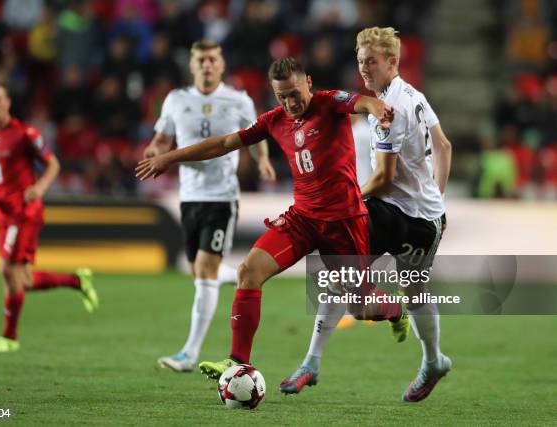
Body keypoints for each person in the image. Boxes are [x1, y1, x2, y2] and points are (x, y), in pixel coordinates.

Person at [136, 56, 404, 380]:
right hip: (302, 219)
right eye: (282, 96)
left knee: (360, 308)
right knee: (249, 271)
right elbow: (223, 143)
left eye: (294, 93)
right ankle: (237, 363)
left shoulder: (328, 102)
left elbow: (362, 102)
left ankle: (393, 308)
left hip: (344, 222)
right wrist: (171, 157)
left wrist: (377, 109)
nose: (290, 103)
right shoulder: (273, 120)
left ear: (308, 83)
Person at [279, 27, 453, 403]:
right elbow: (443, 145)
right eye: (360, 62)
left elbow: (384, 177)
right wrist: (436, 196)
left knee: (377, 283)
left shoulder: (390, 108)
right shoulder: (415, 95)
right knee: (354, 274)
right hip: (422, 219)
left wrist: (346, 201)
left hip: (398, 213)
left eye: (371, 62)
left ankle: (427, 355)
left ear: (392, 62)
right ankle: (313, 362)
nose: (364, 70)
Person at [144, 39, 276, 372]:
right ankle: (245, 276)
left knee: (203, 270)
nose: (206, 65)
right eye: (200, 60)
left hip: (222, 196)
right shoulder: (176, 100)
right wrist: (152, 151)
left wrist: (261, 161)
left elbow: (255, 135)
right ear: (192, 65)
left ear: (221, 64)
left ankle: (189, 353)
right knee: (200, 272)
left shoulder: (238, 99)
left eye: (212, 60)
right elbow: (161, 138)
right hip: (189, 196)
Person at [0, 80, 98, 353]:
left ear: (8, 102)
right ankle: (78, 280)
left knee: (6, 270)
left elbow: (53, 164)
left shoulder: (24, 133)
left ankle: (9, 337)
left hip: (24, 211)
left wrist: (38, 188)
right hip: (3, 213)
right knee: (22, 280)